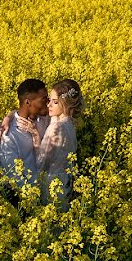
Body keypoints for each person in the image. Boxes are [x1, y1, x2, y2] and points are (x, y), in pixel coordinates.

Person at [0, 79, 50, 192]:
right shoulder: (7, 135)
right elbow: (13, 177)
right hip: (24, 198)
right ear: (27, 102)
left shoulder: (44, 118)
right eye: (44, 99)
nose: (48, 103)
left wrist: (10, 115)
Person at [36, 79, 84, 209]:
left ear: (65, 103)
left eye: (55, 102)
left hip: (51, 186)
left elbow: (41, 163)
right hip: (66, 183)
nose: (49, 105)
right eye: (49, 100)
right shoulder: (70, 124)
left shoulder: (56, 128)